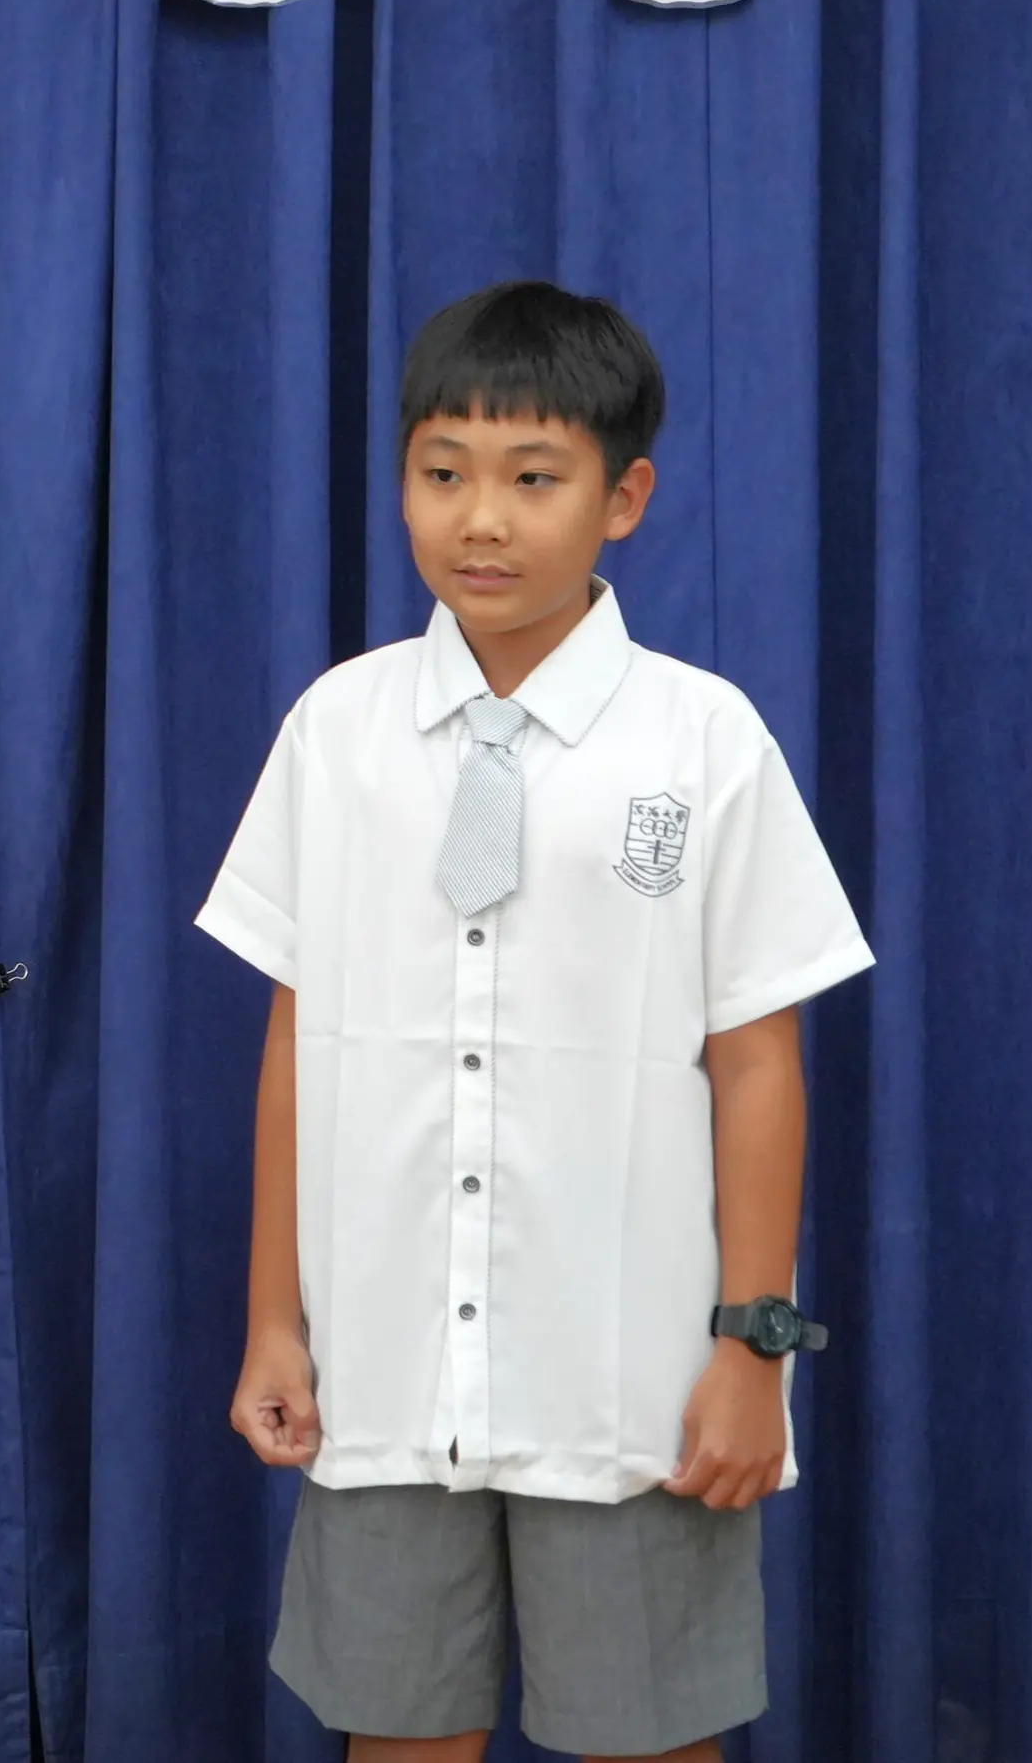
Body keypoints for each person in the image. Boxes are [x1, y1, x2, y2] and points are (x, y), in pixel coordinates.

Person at [199, 283, 872, 1762]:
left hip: (627, 1372)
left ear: (622, 499)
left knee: (649, 1740)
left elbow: (757, 1063)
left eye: (533, 477)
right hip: (387, 1366)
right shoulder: (337, 732)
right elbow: (296, 1042)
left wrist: (752, 1346)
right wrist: (274, 1320)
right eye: (442, 472)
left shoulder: (701, 740)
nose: (481, 519)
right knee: (398, 1734)